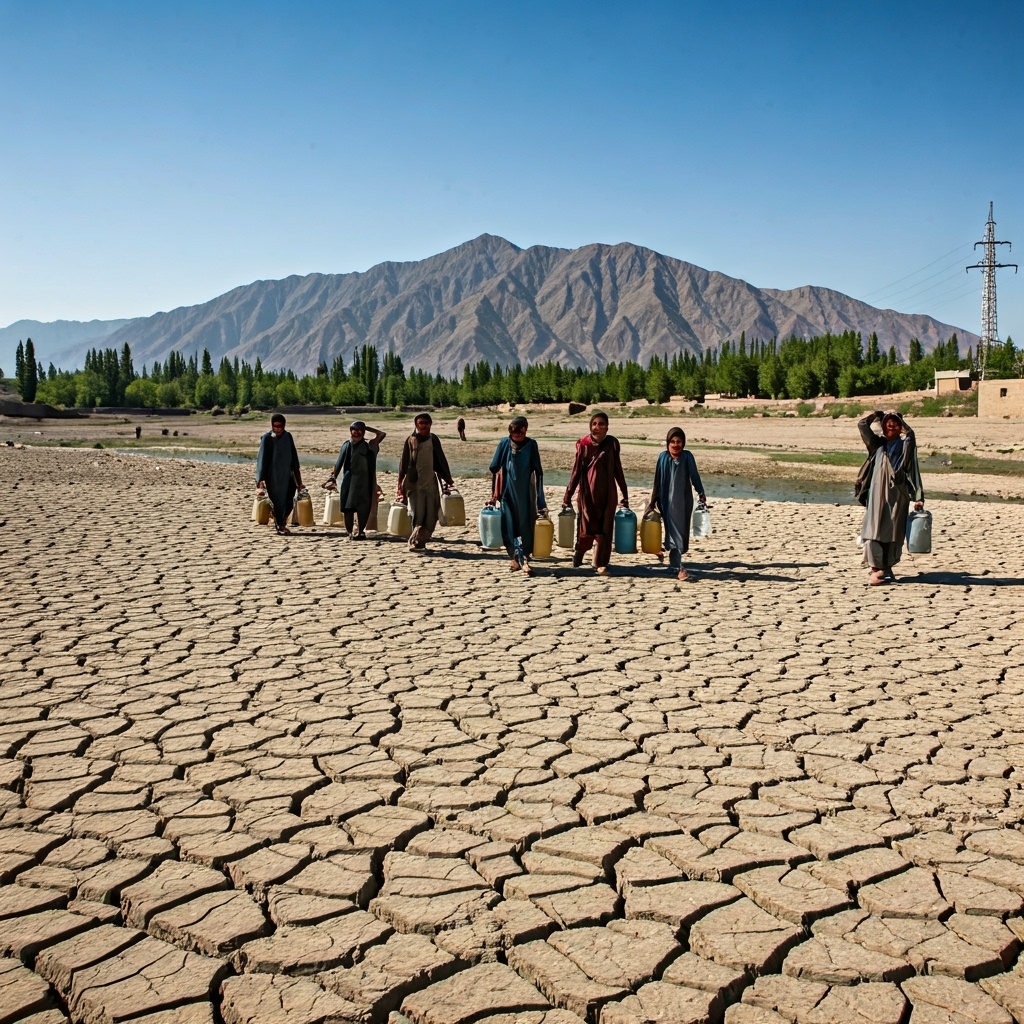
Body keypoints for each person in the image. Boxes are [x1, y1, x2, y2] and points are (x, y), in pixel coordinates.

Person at [858, 410, 924, 585]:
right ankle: (875, 569)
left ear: (900, 427)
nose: (891, 425)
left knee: (894, 533)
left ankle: (886, 567)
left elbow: (911, 436)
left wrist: (918, 497)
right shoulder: (876, 445)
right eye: (888, 423)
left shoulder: (905, 446)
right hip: (877, 496)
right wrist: (876, 415)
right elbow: (862, 425)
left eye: (895, 423)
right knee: (873, 531)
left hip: (899, 496)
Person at [562, 411, 629, 575]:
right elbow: (576, 472)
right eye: (594, 424)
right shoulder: (583, 445)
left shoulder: (612, 443)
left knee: (605, 530)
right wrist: (568, 495)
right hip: (588, 494)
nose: (597, 427)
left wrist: (624, 493)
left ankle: (600, 562)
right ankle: (580, 553)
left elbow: (617, 469)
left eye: (601, 424)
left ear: (607, 427)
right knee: (587, 528)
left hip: (608, 494)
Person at [644, 427, 706, 582]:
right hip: (666, 502)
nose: (675, 445)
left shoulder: (687, 457)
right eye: (672, 441)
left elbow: (694, 475)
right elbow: (657, 480)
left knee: (681, 533)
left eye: (679, 442)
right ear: (668, 443)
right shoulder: (662, 457)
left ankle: (674, 560)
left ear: (683, 443)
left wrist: (701, 491)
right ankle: (680, 569)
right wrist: (653, 500)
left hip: (683, 502)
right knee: (673, 533)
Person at [488, 416, 548, 575]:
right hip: (507, 493)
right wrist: (494, 493)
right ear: (510, 431)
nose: (518, 434)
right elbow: (494, 468)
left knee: (525, 526)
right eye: (515, 431)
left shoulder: (531, 445)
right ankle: (515, 558)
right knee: (509, 526)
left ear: (526, 429)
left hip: (526, 494)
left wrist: (540, 501)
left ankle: (524, 557)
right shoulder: (504, 443)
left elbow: (538, 471)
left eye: (521, 430)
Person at [397, 413, 455, 552]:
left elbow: (440, 458)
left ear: (430, 424)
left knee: (431, 513)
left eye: (426, 423)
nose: (423, 425)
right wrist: (400, 484)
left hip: (430, 483)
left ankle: (423, 538)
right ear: (416, 425)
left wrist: (447, 478)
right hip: (414, 484)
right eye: (420, 423)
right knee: (417, 513)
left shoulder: (433, 439)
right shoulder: (410, 440)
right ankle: (417, 542)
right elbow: (404, 463)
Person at [325, 421, 386, 538]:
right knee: (348, 507)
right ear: (350, 431)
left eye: (360, 431)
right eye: (354, 430)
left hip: (365, 481)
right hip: (349, 480)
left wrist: (366, 427)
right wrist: (333, 478)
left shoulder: (370, 446)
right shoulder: (347, 445)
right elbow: (339, 463)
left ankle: (361, 531)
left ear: (363, 432)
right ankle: (349, 531)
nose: (357, 433)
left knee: (363, 507)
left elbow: (381, 434)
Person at [256, 413, 303, 536]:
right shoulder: (267, 438)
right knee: (278, 502)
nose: (277, 429)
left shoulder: (288, 436)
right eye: (275, 426)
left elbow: (294, 457)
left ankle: (281, 521)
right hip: (273, 477)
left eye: (280, 426)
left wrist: (299, 480)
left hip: (288, 475)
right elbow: (262, 460)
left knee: (289, 501)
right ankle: (280, 525)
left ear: (284, 425)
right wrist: (260, 480)